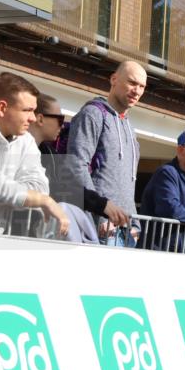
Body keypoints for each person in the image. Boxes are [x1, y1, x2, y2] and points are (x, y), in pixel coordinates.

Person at [0, 72, 69, 237]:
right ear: (2, 108)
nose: (33, 118)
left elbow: (40, 187)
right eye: (27, 110)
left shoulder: (26, 140)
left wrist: (10, 195)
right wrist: (41, 200)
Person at [65, 61, 146, 242]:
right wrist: (99, 214)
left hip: (126, 232)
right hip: (98, 229)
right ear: (114, 79)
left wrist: (135, 224)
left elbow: (127, 182)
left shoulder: (130, 129)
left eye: (142, 86)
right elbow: (77, 165)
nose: (137, 91)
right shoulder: (92, 114)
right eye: (132, 83)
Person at [32, 93, 129, 238]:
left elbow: (69, 185)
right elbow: (56, 187)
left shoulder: (50, 153)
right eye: (59, 119)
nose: (63, 124)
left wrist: (102, 204)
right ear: (40, 119)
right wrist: (102, 205)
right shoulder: (17, 147)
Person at [138, 128, 185, 253]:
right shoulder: (167, 173)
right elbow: (169, 207)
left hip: (183, 254)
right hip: (158, 254)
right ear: (180, 150)